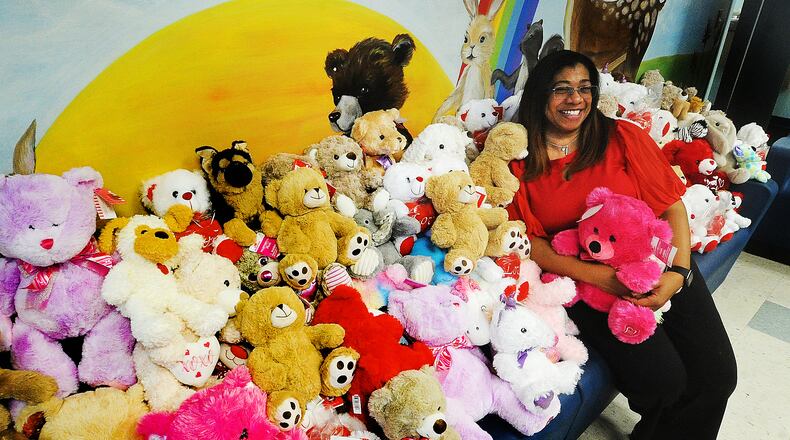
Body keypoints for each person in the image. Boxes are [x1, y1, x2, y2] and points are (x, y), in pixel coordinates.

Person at [506, 50, 737, 440]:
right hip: (587, 286)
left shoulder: (623, 137)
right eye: (561, 89)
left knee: (718, 377)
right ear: (539, 95)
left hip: (658, 264)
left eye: (583, 88)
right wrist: (604, 278)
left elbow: (671, 207)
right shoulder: (519, 161)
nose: (575, 99)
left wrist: (679, 273)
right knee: (663, 383)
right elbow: (534, 245)